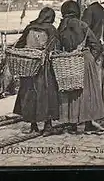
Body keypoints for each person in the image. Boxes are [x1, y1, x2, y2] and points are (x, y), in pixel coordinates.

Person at [57, 0, 104, 135]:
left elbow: (56, 46)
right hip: (85, 60)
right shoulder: (83, 25)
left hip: (68, 61)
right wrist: (91, 57)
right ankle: (88, 123)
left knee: (71, 93)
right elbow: (96, 45)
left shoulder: (61, 27)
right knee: (87, 93)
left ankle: (72, 123)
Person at [12, 7, 61, 136]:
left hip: (28, 65)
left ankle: (33, 125)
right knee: (47, 95)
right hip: (43, 67)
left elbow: (19, 44)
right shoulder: (51, 29)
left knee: (29, 94)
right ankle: (48, 125)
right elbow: (55, 47)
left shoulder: (30, 27)